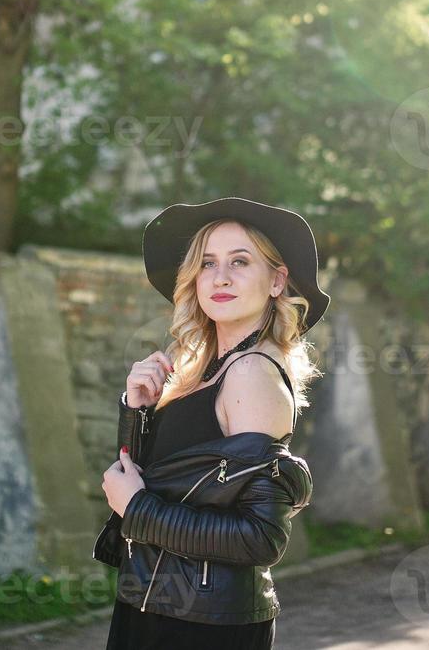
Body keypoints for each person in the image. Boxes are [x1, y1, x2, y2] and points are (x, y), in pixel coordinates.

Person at [100, 197, 330, 650]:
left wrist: (139, 509)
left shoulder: (251, 373)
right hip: (159, 601)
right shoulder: (209, 370)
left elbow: (260, 538)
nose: (220, 277)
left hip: (203, 625)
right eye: (207, 263)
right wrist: (138, 410)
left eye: (240, 262)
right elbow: (170, 480)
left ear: (277, 280)